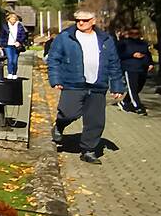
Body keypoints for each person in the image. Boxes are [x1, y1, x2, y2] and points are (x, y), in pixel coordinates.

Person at [45, 10, 126, 164]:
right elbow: (53, 59)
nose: (81, 23)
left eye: (85, 20)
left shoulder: (105, 39)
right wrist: (55, 79)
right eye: (78, 20)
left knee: (95, 120)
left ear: (93, 21)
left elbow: (114, 64)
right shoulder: (65, 37)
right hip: (73, 83)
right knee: (68, 113)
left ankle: (88, 151)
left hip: (98, 85)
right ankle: (59, 126)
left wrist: (117, 86)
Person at [115, 27, 153, 115]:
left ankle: (124, 102)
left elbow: (147, 53)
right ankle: (138, 107)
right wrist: (132, 54)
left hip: (142, 68)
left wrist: (150, 63)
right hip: (130, 68)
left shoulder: (143, 43)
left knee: (139, 87)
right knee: (133, 88)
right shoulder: (123, 43)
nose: (135, 35)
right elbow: (119, 55)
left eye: (137, 33)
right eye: (132, 33)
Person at [0, 12, 29, 79]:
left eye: (14, 19)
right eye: (11, 19)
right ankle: (9, 73)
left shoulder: (19, 26)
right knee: (10, 59)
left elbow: (23, 35)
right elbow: (1, 36)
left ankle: (14, 73)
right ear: (8, 19)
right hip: (7, 45)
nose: (13, 20)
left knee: (15, 61)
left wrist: (19, 42)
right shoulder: (5, 26)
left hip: (16, 46)